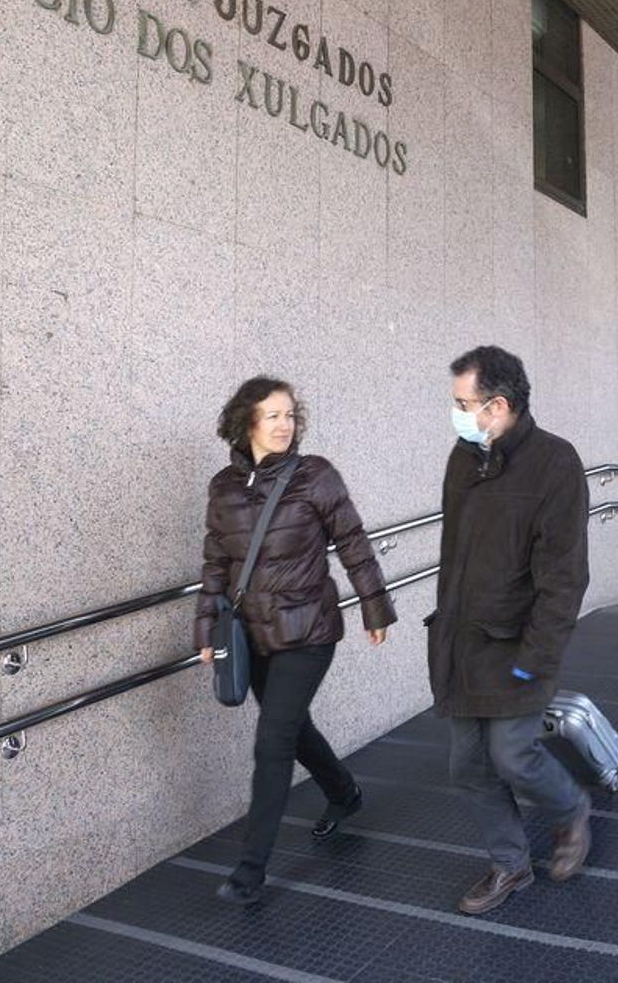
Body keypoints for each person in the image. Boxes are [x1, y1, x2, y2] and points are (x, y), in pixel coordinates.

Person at [192, 376, 397, 905]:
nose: (285, 424)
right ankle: (344, 793)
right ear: (246, 422)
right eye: (273, 416)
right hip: (252, 633)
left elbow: (353, 541)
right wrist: (206, 629)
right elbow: (216, 562)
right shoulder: (224, 487)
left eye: (289, 415)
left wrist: (375, 606)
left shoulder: (315, 476)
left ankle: (249, 871)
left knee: (272, 741)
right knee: (292, 729)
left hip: (308, 630)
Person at [425, 345, 592, 916]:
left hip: (519, 646)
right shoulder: (463, 459)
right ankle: (510, 864)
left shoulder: (555, 464)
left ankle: (570, 809)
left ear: (496, 405)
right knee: (469, 766)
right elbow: (454, 558)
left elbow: (565, 577)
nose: (456, 414)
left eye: (462, 403)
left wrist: (535, 657)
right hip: (464, 644)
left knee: (514, 755)